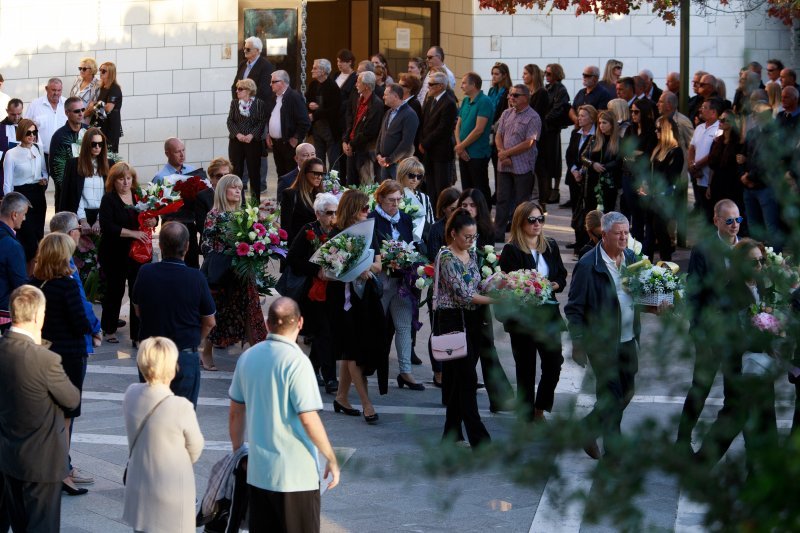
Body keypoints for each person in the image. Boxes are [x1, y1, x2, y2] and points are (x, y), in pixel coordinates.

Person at [229, 297, 339, 532]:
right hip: (295, 476)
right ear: (300, 323)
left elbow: (236, 413)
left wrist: (238, 451)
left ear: (268, 324)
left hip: (259, 473)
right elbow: (308, 417)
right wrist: (330, 456)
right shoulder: (297, 362)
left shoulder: (247, 357)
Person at [693, 239, 778, 472]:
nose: (760, 266)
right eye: (754, 263)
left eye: (761, 261)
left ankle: (758, 471)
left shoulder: (763, 287)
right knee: (739, 416)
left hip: (761, 363)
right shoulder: (729, 293)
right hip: (740, 366)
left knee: (757, 416)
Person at [0, 285, 80, 532]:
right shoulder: (46, 359)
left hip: (9, 457)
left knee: (20, 524)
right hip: (41, 461)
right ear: (37, 316)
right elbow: (72, 399)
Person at [565, 211, 640, 459]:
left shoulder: (632, 258)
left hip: (628, 338)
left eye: (626, 233)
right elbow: (574, 308)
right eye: (618, 233)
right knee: (612, 394)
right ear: (604, 234)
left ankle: (588, 428)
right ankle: (614, 452)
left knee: (626, 391)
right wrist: (577, 342)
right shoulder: (588, 265)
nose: (623, 238)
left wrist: (658, 304)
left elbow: (639, 295)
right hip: (602, 342)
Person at [28, 233, 93, 496]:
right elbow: (80, 321)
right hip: (67, 357)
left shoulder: (34, 283)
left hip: (41, 355)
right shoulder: (66, 286)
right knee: (65, 418)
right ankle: (61, 473)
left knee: (45, 416)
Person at [676, 199, 741, 448]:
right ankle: (683, 439)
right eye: (729, 220)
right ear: (716, 221)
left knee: (734, 392)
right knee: (701, 386)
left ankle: (717, 446)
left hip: (737, 333)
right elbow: (694, 293)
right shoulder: (703, 249)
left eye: (738, 220)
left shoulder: (746, 249)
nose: (734, 225)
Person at [122, 336, 204, 533]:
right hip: (171, 488)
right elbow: (196, 448)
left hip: (139, 482)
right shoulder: (180, 406)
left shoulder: (131, 393)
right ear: (172, 366)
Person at [131, 221, 216, 408]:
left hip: (151, 353)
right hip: (183, 355)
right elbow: (209, 321)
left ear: (160, 245)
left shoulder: (145, 272)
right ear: (187, 246)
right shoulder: (196, 278)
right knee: (182, 419)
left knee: (151, 416)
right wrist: (194, 339)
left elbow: (138, 310)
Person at [499, 202, 566, 423]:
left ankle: (540, 407)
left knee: (554, 364)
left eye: (540, 219)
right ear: (521, 222)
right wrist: (529, 288)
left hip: (548, 315)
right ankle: (527, 416)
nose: (537, 224)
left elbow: (562, 275)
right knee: (526, 370)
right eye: (532, 220)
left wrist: (554, 284)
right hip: (524, 318)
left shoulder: (551, 245)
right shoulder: (512, 250)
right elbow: (509, 284)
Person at [434, 209, 492, 448]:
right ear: (453, 234)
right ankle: (479, 439)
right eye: (467, 236)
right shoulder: (446, 257)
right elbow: (464, 294)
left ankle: (451, 433)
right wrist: (496, 300)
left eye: (474, 237)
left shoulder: (472, 255)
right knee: (467, 380)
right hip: (453, 322)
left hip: (473, 321)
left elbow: (478, 284)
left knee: (461, 380)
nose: (471, 241)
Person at [327, 189, 385, 423]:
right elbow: (326, 272)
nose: (367, 211)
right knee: (353, 353)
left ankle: (341, 397)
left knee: (352, 351)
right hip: (343, 301)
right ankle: (366, 404)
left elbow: (379, 264)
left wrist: (366, 269)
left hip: (365, 299)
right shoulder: (336, 233)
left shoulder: (370, 231)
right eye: (363, 208)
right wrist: (351, 271)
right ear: (352, 209)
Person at [201, 174, 267, 366]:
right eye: (233, 188)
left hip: (243, 272)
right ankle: (206, 352)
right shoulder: (214, 215)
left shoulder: (244, 214)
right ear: (223, 190)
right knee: (219, 313)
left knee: (250, 311)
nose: (238, 191)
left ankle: (257, 355)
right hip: (222, 274)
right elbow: (206, 244)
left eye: (240, 188)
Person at [458, 188, 514, 410]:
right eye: (464, 206)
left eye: (472, 206)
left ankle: (498, 397)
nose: (468, 209)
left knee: (486, 345)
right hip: (460, 298)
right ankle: (461, 393)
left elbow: (490, 264)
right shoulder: (453, 230)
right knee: (467, 349)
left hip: (480, 296)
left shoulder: (486, 232)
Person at [369, 180, 424, 390]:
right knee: (376, 325)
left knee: (403, 326)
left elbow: (411, 243)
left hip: (402, 281)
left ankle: (406, 371)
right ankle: (370, 363)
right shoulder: (372, 219)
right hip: (381, 280)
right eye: (391, 200)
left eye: (399, 199)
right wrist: (385, 260)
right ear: (380, 199)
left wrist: (408, 259)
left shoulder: (406, 219)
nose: (396, 204)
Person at [286, 192, 340, 393]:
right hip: (312, 291)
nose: (333, 217)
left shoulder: (337, 232)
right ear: (318, 213)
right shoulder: (308, 230)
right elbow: (292, 258)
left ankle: (311, 367)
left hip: (333, 290)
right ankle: (330, 377)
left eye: (335, 213)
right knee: (324, 332)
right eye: (329, 213)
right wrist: (315, 270)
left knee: (325, 333)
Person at [99, 162, 156, 345]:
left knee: (137, 291)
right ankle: (109, 329)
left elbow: (153, 215)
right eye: (121, 179)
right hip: (114, 252)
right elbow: (107, 226)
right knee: (115, 290)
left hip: (137, 253)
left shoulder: (139, 196)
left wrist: (153, 221)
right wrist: (133, 233)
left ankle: (138, 335)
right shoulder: (109, 199)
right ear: (113, 181)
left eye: (128, 178)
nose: (125, 182)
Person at [48, 211, 102, 354]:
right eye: (79, 228)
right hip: (70, 343)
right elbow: (80, 301)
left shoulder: (44, 261)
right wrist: (95, 328)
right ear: (72, 233)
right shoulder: (67, 265)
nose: (80, 231)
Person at [493, 84, 542, 241]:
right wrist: (502, 153)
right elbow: (498, 135)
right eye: (510, 94)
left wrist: (506, 153)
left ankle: (519, 236)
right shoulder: (506, 113)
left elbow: (529, 142)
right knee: (502, 200)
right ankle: (498, 234)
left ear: (526, 98)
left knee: (522, 204)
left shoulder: (533, 117)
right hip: (504, 164)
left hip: (522, 166)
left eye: (515, 95)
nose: (511, 97)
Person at [2, 118, 46, 270]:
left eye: (35, 132)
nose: (32, 136)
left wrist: (44, 180)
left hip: (38, 195)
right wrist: (11, 206)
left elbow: (44, 172)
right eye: (29, 132)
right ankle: (24, 274)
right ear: (21, 132)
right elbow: (7, 184)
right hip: (20, 196)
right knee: (26, 238)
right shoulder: (11, 154)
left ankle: (34, 275)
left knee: (38, 235)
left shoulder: (38, 148)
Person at [641, 115, 684, 261]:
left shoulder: (675, 151)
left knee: (660, 230)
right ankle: (648, 263)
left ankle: (666, 264)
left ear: (667, 130)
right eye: (655, 128)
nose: (656, 131)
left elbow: (670, 177)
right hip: (652, 197)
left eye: (659, 129)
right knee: (651, 231)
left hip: (665, 197)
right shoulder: (658, 149)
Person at [60, 127, 112, 231]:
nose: (97, 147)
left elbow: (109, 195)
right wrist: (82, 219)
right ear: (87, 144)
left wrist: (99, 220)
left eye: (100, 144)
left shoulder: (110, 164)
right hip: (79, 215)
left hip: (103, 215)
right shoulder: (73, 164)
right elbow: (72, 194)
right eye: (94, 144)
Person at [418, 71, 458, 204]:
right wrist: (422, 142)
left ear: (440, 86)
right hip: (429, 151)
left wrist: (425, 143)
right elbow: (425, 123)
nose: (428, 87)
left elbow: (443, 129)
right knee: (430, 186)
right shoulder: (431, 100)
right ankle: (432, 213)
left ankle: (442, 214)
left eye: (431, 84)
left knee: (441, 187)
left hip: (441, 151)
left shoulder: (449, 103)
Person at [228, 78, 268, 204]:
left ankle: (255, 203)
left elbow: (262, 122)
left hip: (253, 143)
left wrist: (252, 135)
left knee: (254, 173)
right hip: (236, 142)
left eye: (240, 89)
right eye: (237, 88)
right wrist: (238, 134)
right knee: (237, 172)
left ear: (249, 90)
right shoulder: (234, 103)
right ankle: (240, 202)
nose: (237, 91)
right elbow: (230, 121)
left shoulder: (259, 104)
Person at [621, 98, 657, 240]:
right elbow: (624, 152)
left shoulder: (651, 132)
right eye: (632, 111)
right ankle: (635, 246)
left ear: (645, 113)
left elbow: (648, 155)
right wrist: (636, 154)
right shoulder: (630, 129)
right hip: (628, 174)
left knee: (643, 214)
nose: (633, 114)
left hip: (642, 176)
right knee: (633, 213)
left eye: (636, 112)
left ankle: (644, 248)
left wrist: (635, 154)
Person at [455, 73, 494, 202]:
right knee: (466, 188)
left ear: (474, 85)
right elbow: (458, 125)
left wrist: (461, 146)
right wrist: (460, 147)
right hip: (463, 152)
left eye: (464, 83)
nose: (461, 86)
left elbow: (479, 130)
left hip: (477, 153)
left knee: (479, 188)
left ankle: (484, 216)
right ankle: (469, 215)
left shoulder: (485, 101)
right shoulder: (466, 100)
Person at [267, 70, 311, 178]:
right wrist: (269, 133)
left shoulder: (294, 96)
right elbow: (272, 117)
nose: (270, 84)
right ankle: (282, 194)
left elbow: (305, 121)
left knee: (291, 174)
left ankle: (291, 195)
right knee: (281, 173)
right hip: (276, 143)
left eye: (273, 82)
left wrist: (296, 138)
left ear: (281, 82)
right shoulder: (274, 98)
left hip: (289, 144)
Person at [342, 71, 383, 186]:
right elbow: (352, 122)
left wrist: (351, 144)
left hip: (363, 150)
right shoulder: (358, 99)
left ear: (366, 86)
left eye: (358, 82)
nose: (356, 84)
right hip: (352, 147)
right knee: (350, 183)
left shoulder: (376, 104)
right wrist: (345, 141)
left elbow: (369, 131)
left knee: (364, 184)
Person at [566, 105, 598, 252]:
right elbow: (570, 155)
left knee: (587, 209)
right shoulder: (575, 133)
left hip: (588, 179)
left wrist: (582, 171)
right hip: (574, 177)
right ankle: (578, 240)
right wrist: (574, 171)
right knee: (576, 209)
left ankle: (586, 241)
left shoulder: (596, 136)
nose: (579, 118)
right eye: (579, 115)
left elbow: (592, 157)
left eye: (583, 116)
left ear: (591, 118)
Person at [48, 96, 87, 209]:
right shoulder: (59, 136)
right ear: (67, 113)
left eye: (83, 110)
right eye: (76, 111)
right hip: (66, 191)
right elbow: (54, 168)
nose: (81, 113)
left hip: (88, 189)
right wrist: (68, 187)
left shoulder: (89, 131)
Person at [689, 97, 723, 222]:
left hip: (710, 180)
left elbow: (714, 153)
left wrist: (696, 165)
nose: (700, 109)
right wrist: (691, 164)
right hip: (697, 177)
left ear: (713, 112)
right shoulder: (699, 127)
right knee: (702, 212)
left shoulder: (719, 129)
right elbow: (691, 147)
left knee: (710, 214)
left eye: (704, 107)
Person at [375, 83, 419, 180]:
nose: (383, 97)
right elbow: (381, 134)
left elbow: (406, 143)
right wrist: (378, 154)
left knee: (399, 192)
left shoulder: (410, 115)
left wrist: (390, 160)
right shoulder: (388, 112)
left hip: (398, 165)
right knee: (385, 193)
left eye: (386, 94)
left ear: (395, 96)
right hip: (384, 162)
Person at [707, 109, 745, 217]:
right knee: (716, 215)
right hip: (716, 184)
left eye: (724, 120)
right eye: (720, 119)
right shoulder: (717, 141)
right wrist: (709, 185)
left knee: (729, 216)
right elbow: (712, 167)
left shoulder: (738, 143)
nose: (721, 121)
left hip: (732, 186)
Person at [306, 58, 342, 172]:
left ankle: (333, 185)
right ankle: (319, 182)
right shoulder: (313, 85)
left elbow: (334, 109)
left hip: (330, 129)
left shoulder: (332, 87)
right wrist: (309, 105)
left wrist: (315, 115)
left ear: (323, 71)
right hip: (317, 128)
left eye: (315, 68)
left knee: (333, 160)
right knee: (318, 159)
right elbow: (306, 100)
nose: (312, 70)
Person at [0, 192, 29, 332]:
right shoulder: (12, 246)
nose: (24, 218)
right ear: (14, 215)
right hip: (4, 314)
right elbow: (21, 285)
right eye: (24, 214)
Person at [583, 110, 622, 213]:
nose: (601, 125)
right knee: (591, 212)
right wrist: (593, 164)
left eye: (604, 123)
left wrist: (603, 167)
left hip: (609, 183)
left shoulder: (619, 141)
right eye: (599, 123)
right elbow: (583, 157)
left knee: (608, 212)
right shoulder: (594, 139)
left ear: (612, 124)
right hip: (593, 182)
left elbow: (619, 161)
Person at [24, 78, 66, 171]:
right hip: (40, 154)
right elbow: (25, 126)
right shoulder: (35, 104)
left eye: (59, 90)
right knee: (41, 184)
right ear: (46, 89)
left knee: (61, 185)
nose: (56, 93)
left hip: (62, 155)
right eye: (53, 90)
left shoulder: (67, 104)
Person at [543, 63, 571, 204]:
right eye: (545, 73)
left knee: (554, 160)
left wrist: (543, 120)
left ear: (556, 74)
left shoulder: (561, 90)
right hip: (545, 129)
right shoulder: (546, 88)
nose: (546, 76)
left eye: (549, 74)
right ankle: (547, 188)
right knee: (545, 161)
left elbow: (558, 109)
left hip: (552, 129)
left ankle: (555, 189)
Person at [281, 157, 325, 244]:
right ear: (305, 173)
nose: (319, 177)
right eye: (316, 173)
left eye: (321, 174)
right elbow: (286, 228)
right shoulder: (290, 194)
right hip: (298, 247)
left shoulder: (320, 196)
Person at [397, 156, 434, 246]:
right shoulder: (395, 196)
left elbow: (431, 224)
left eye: (419, 176)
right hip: (399, 242)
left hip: (421, 243)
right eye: (411, 175)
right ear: (402, 174)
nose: (415, 180)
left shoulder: (424, 198)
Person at [231, 36, 274, 102]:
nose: (245, 51)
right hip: (240, 107)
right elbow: (234, 87)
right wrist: (238, 103)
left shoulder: (266, 66)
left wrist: (248, 103)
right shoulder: (242, 64)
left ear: (257, 50)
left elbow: (264, 91)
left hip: (256, 108)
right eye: (244, 48)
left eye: (248, 49)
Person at [91, 62, 123, 152]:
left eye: (104, 71)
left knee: (110, 152)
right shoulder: (102, 87)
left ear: (111, 73)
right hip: (101, 124)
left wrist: (94, 105)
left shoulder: (114, 88)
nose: (100, 72)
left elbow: (109, 108)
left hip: (111, 126)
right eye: (100, 70)